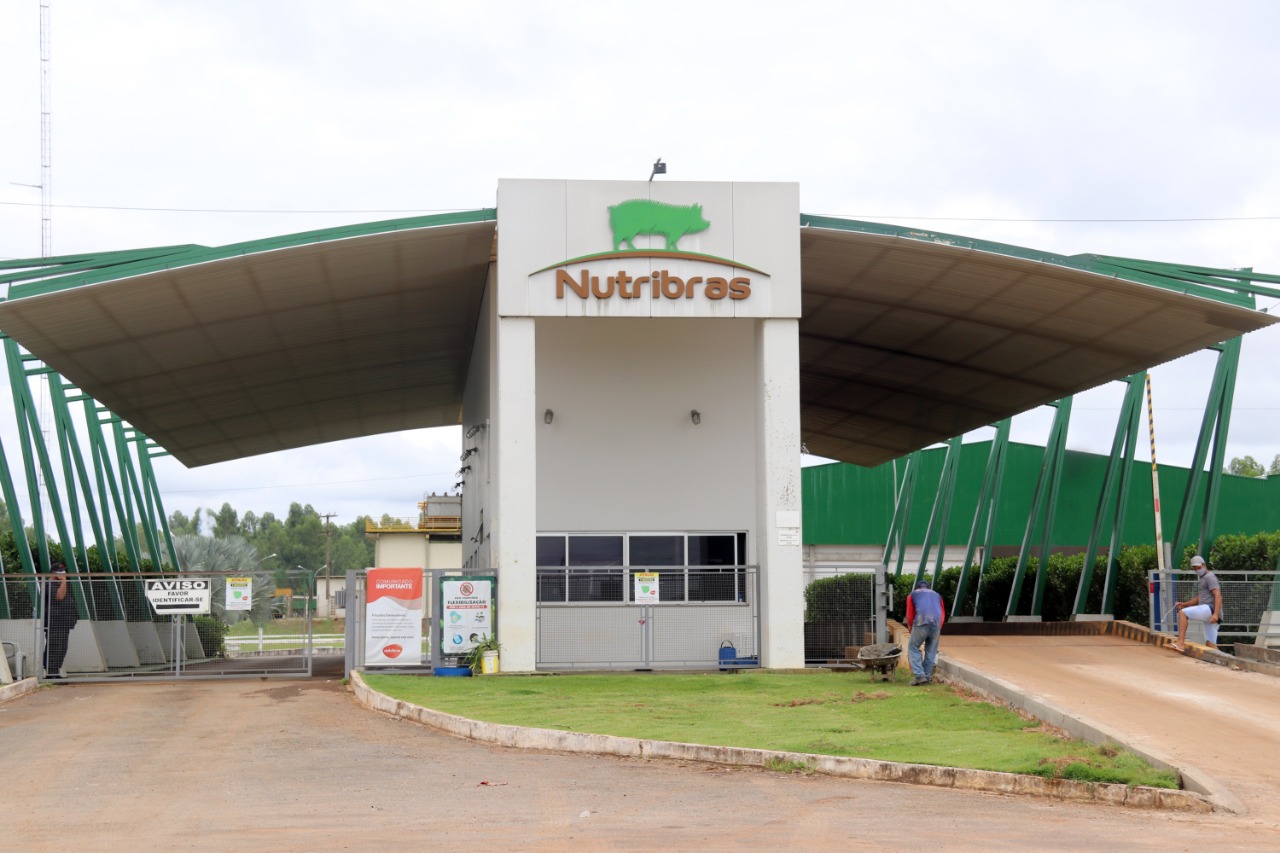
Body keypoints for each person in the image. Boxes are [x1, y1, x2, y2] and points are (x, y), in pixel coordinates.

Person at [1172, 555, 1221, 652]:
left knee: (1182, 613)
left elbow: (1218, 595)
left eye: (1198, 568)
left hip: (1210, 609)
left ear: (1204, 565)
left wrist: (1215, 614)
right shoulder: (1203, 578)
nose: (1197, 570)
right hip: (1210, 612)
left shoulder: (1209, 577)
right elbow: (1199, 598)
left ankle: (1180, 643)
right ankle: (1223, 658)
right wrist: (1184, 604)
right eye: (1195, 569)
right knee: (1210, 643)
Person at [904, 579, 945, 685]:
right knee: (931, 651)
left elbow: (910, 613)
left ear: (918, 587)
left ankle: (919, 675)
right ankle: (926, 676)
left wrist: (910, 626)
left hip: (921, 622)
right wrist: (939, 626)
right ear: (928, 588)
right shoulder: (937, 595)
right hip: (936, 624)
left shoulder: (913, 594)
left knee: (913, 648)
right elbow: (942, 612)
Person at [43, 562, 79, 679]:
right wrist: (64, 582)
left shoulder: (61, 585)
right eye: (60, 571)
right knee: (54, 646)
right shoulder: (49, 584)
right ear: (53, 573)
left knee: (62, 647)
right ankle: (50, 672)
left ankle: (55, 671)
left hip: (64, 622)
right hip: (54, 622)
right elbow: (59, 597)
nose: (63, 573)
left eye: (63, 571)